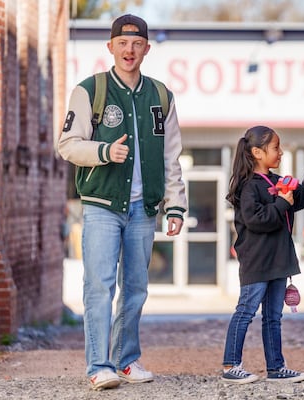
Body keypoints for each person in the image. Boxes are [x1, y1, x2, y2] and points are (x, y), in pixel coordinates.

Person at [58, 14, 187, 391]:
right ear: (111, 47)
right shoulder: (90, 91)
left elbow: (171, 156)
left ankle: (126, 360)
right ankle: (99, 365)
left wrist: (175, 205)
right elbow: (67, 145)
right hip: (101, 205)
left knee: (136, 289)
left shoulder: (161, 96)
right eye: (122, 43)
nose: (129, 50)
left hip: (143, 210)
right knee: (99, 286)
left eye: (137, 44)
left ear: (146, 48)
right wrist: (103, 151)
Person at [221, 125, 304, 384]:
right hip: (257, 261)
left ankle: (276, 368)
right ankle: (231, 365)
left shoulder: (279, 182)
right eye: (275, 148)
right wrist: (281, 203)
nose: (280, 152)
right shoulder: (248, 187)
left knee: (273, 317)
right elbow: (256, 220)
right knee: (246, 310)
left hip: (279, 261)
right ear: (257, 152)